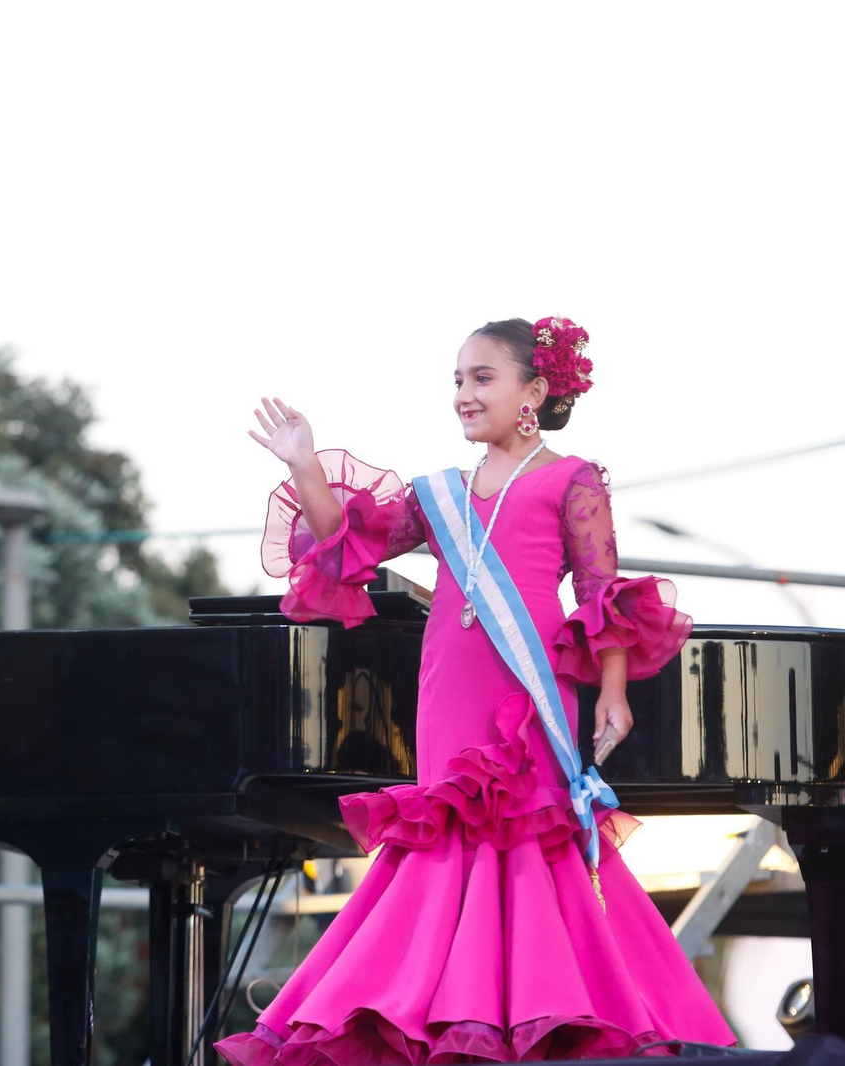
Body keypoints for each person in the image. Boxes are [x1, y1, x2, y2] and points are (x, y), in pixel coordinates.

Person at [216, 316, 737, 1063]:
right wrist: (302, 462)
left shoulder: (572, 478)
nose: (464, 393)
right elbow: (346, 545)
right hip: (447, 688)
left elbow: (601, 593)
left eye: (482, 377)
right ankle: (436, 1013)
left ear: (535, 389)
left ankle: (541, 1013)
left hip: (529, 687)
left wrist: (614, 693)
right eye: (457, 380)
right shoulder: (440, 494)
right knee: (444, 836)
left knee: (528, 833)